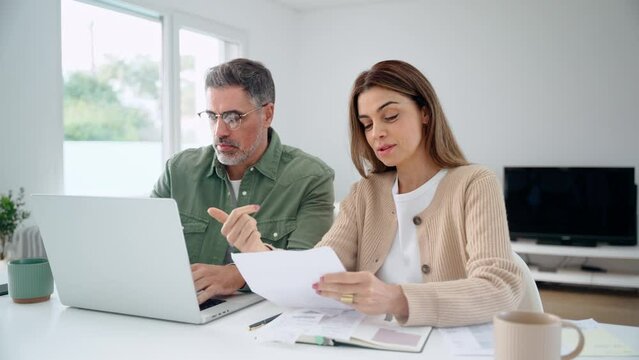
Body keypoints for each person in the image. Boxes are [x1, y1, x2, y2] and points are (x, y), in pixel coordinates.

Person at [212, 60, 524, 327]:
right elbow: (317, 271)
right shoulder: (365, 194)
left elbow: (500, 289)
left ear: (425, 113)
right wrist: (256, 249)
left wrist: (395, 298)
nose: (377, 133)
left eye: (390, 117)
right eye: (366, 124)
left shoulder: (474, 183)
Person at [152, 58, 335, 304]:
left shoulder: (310, 178)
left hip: (266, 318)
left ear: (267, 114)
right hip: (183, 311)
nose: (219, 131)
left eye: (233, 117)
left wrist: (239, 274)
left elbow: (307, 272)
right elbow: (145, 249)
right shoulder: (178, 171)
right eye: (212, 116)